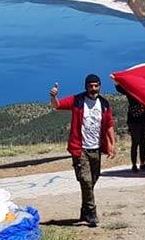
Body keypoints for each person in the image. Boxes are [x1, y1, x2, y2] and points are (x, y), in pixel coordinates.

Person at [50, 74, 116, 227]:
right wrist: (53, 96)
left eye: (96, 86)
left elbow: (109, 124)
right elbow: (57, 105)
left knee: (92, 180)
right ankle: (92, 213)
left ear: (99, 86)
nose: (93, 89)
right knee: (86, 181)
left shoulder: (104, 104)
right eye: (90, 86)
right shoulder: (77, 101)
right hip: (80, 149)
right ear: (85, 86)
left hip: (97, 149)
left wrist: (112, 144)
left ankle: (84, 211)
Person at [116, 83, 145, 173]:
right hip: (134, 122)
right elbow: (119, 88)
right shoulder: (131, 91)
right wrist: (117, 80)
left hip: (144, 120)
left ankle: (142, 163)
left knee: (143, 143)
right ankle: (134, 165)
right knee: (135, 143)